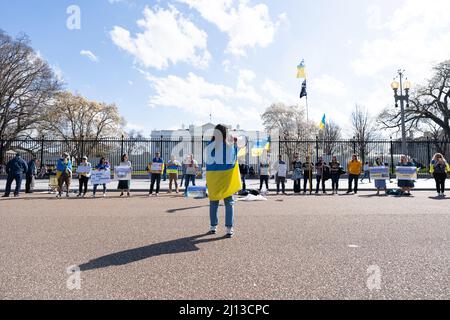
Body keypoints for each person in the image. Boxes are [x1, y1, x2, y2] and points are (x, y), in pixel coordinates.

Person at [206, 124, 241, 238]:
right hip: (226, 178)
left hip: (213, 178)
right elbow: (233, 159)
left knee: (213, 202)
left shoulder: (209, 145)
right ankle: (229, 228)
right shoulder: (229, 146)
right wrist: (235, 144)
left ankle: (213, 227)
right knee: (229, 203)